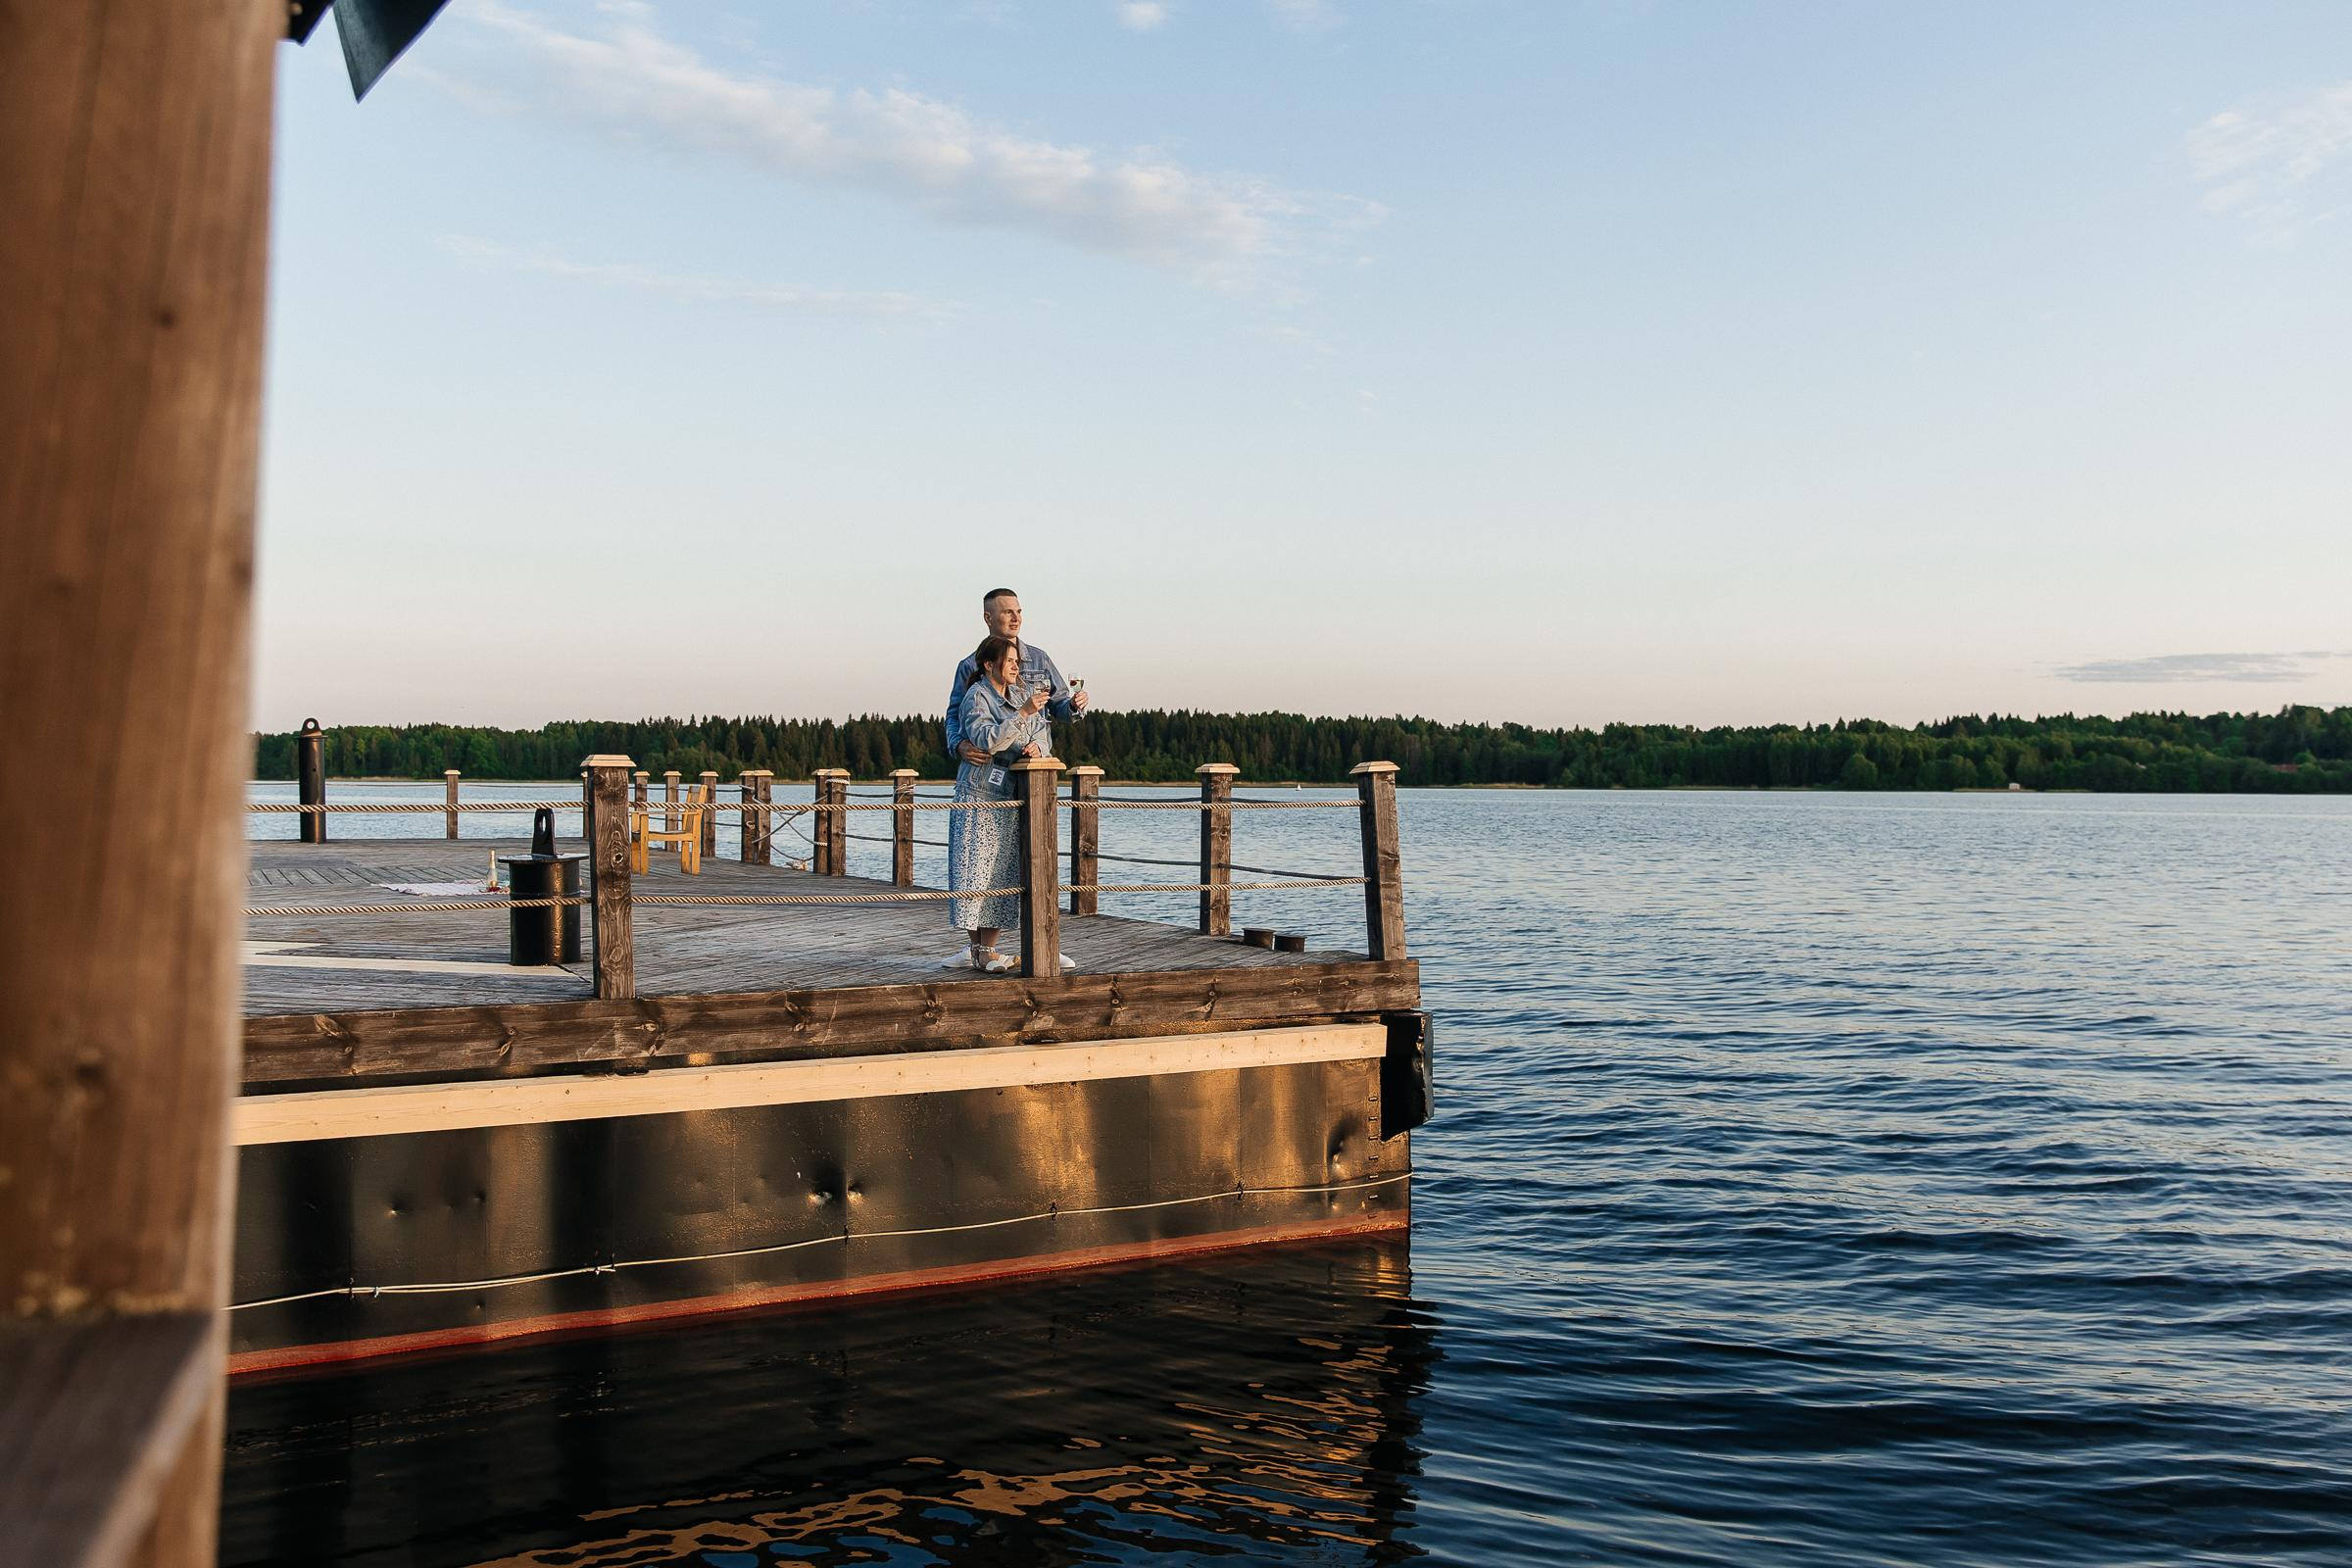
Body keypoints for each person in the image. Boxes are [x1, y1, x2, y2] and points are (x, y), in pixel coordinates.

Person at [949, 634, 1051, 972]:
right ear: (989, 664)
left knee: (999, 876)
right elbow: (986, 740)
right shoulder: (976, 697)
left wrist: (1036, 748)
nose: (1016, 667)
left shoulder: (1021, 694)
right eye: (1009, 661)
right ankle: (979, 951)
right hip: (978, 795)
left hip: (1008, 796)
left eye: (1017, 662)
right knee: (974, 873)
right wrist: (1022, 714)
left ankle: (987, 950)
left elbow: (1035, 733)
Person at [945, 588, 1088, 767]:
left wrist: (1074, 706)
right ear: (988, 618)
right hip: (989, 771)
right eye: (1008, 612)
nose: (1016, 618)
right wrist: (958, 745)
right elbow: (954, 715)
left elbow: (1058, 707)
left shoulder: (1040, 659)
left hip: (1032, 767)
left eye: (1019, 612)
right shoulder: (969, 665)